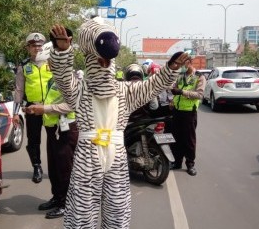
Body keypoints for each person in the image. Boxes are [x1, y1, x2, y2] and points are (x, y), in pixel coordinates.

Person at [48, 17, 189, 229]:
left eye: (107, 62)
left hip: (117, 156)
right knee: (81, 213)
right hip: (88, 153)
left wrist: (170, 69)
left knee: (117, 211)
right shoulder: (80, 90)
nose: (103, 65)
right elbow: (62, 78)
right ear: (89, 59)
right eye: (99, 61)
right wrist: (61, 52)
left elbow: (151, 87)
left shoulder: (125, 92)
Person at [25, 28, 78, 219]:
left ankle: (66, 203)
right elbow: (50, 101)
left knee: (65, 169)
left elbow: (71, 105)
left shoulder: (70, 79)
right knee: (54, 168)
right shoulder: (52, 80)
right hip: (53, 129)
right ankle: (57, 197)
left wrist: (44, 110)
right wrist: (36, 108)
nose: (47, 65)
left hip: (66, 130)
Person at [13, 32, 52, 183]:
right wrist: (16, 113)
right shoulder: (24, 66)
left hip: (50, 107)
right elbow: (19, 90)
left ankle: (55, 168)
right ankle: (37, 166)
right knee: (34, 140)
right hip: (32, 108)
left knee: (54, 139)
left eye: (40, 45)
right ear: (28, 48)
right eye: (34, 46)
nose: (37, 48)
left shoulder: (52, 63)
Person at [170, 58, 206, 176]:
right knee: (176, 139)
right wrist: (172, 98)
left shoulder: (199, 77)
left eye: (184, 63)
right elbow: (174, 87)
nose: (183, 65)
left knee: (189, 140)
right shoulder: (180, 76)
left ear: (190, 63)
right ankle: (177, 162)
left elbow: (199, 95)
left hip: (189, 113)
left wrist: (182, 92)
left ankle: (190, 164)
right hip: (177, 111)